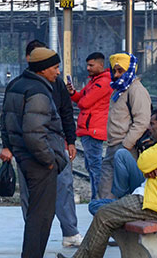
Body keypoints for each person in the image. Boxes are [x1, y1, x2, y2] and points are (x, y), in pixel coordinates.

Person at [58, 93, 157, 258]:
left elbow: (144, 161)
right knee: (103, 210)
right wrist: (151, 166)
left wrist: (151, 165)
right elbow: (148, 163)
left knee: (104, 215)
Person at [0, 40, 82, 247]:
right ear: (41, 66)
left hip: (31, 154)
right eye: (55, 67)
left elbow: (65, 111)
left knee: (44, 203)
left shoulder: (21, 85)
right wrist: (49, 160)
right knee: (40, 210)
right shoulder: (36, 90)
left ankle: (66, 233)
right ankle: (35, 244)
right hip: (42, 157)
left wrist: (70, 140)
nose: (58, 72)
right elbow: (31, 131)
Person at [88, 109, 157, 215]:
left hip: (149, 195)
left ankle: (121, 207)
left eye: (152, 124)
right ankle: (121, 200)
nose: (148, 128)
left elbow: (146, 165)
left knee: (96, 207)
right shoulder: (150, 142)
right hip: (142, 186)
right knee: (94, 205)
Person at [97, 52, 151, 199]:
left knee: (118, 193)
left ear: (129, 70)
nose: (116, 75)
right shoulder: (120, 90)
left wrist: (126, 145)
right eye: (114, 70)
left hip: (126, 148)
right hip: (113, 146)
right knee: (105, 191)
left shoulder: (136, 90)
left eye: (120, 70)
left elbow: (142, 121)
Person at [67, 52, 111, 201]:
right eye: (87, 65)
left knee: (95, 167)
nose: (88, 68)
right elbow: (80, 97)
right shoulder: (94, 81)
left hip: (93, 129)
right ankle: (96, 198)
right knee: (91, 166)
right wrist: (73, 93)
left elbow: (84, 102)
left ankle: (98, 199)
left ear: (101, 65)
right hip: (89, 128)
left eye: (91, 65)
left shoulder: (102, 82)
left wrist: (80, 98)